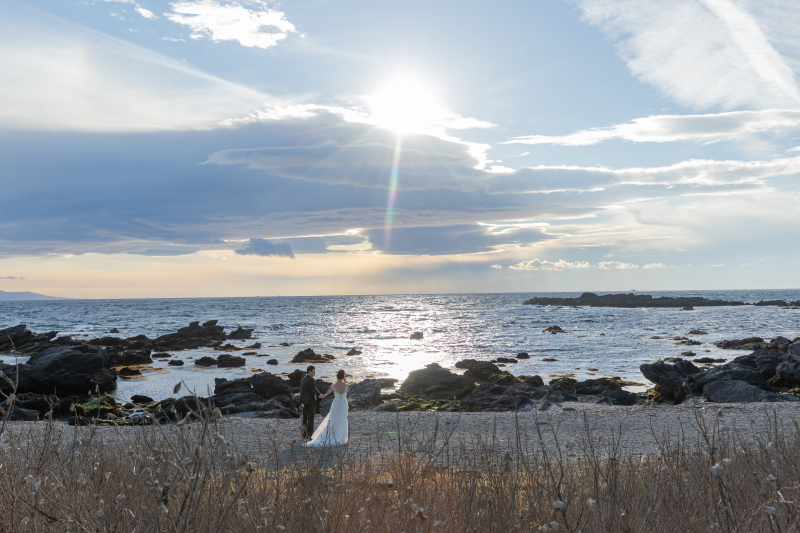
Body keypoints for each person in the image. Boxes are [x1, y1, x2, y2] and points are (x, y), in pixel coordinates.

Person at [304, 369, 349, 447]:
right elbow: (348, 389)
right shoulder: (346, 385)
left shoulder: (333, 386)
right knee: (343, 418)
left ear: (336, 376)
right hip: (344, 403)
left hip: (336, 403)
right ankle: (341, 436)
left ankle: (334, 434)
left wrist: (321, 395)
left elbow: (326, 394)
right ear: (343, 377)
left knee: (334, 419)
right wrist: (345, 381)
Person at [299, 366, 321, 440]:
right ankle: (309, 435)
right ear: (309, 372)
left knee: (304, 418)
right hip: (311, 401)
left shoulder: (303, 379)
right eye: (313, 371)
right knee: (311, 418)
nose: (314, 373)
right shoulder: (311, 379)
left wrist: (300, 402)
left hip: (304, 401)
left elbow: (301, 391)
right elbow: (313, 389)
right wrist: (320, 395)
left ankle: (304, 434)